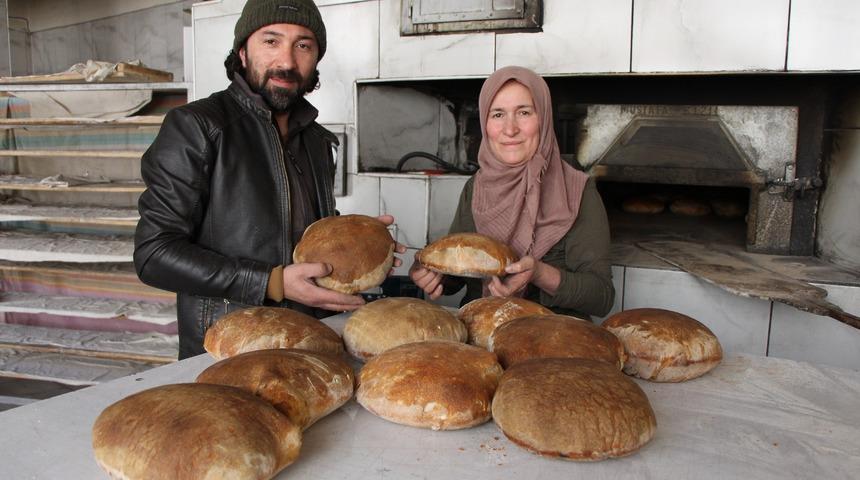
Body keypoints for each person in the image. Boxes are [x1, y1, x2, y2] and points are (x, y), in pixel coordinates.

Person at [134, 0, 402, 358]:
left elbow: (294, 230)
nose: (287, 62)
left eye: (303, 45)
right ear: (242, 52)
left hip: (311, 342)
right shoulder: (198, 127)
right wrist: (273, 282)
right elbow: (154, 254)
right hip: (229, 349)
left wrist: (353, 238)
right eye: (271, 41)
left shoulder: (316, 139)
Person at [410, 66, 614, 320]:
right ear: (485, 122)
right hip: (479, 330)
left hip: (553, 341)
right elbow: (459, 272)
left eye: (524, 112)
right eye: (497, 114)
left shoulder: (578, 191)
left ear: (544, 118)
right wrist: (429, 270)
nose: (510, 129)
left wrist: (540, 274)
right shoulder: (477, 186)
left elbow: (602, 297)